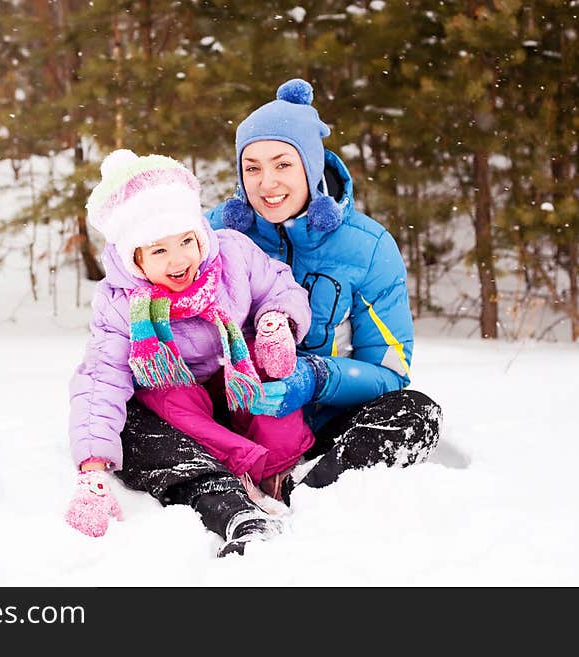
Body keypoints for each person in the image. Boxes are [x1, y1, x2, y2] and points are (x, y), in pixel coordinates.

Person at [65, 149, 315, 556]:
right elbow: (100, 378)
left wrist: (276, 321)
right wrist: (92, 467)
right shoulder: (120, 301)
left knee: (263, 366)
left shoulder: (232, 252)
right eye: (160, 251)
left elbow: (279, 287)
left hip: (236, 377)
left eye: (186, 241)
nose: (180, 259)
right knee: (160, 393)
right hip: (183, 393)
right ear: (135, 257)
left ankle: (282, 468)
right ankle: (238, 470)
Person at [206, 78, 442, 487]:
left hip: (325, 426)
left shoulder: (366, 247)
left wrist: (315, 378)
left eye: (283, 164)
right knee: (137, 414)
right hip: (233, 414)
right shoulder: (212, 234)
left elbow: (389, 372)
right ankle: (215, 485)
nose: (267, 184)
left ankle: (312, 489)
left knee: (417, 413)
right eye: (253, 168)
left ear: (311, 167)